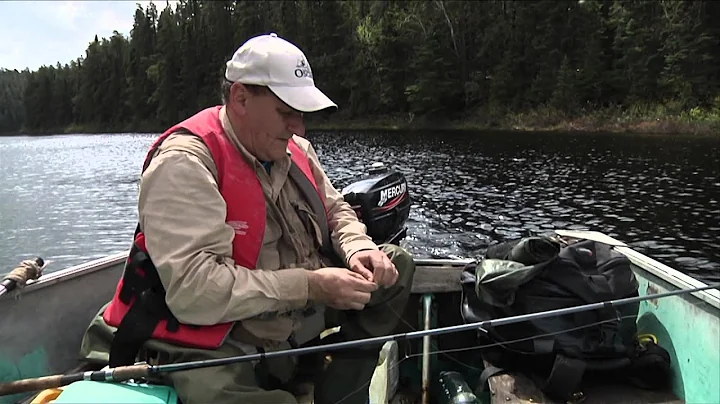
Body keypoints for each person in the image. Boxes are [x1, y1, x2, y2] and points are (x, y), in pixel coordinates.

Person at [79, 32, 416, 404]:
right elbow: (195, 293)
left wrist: (357, 249)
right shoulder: (184, 164)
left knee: (394, 267)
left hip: (284, 316)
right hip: (212, 340)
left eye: (301, 113)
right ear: (240, 97)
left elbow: (336, 209)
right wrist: (311, 286)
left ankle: (336, 393)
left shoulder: (295, 147)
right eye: (286, 112)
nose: (299, 127)